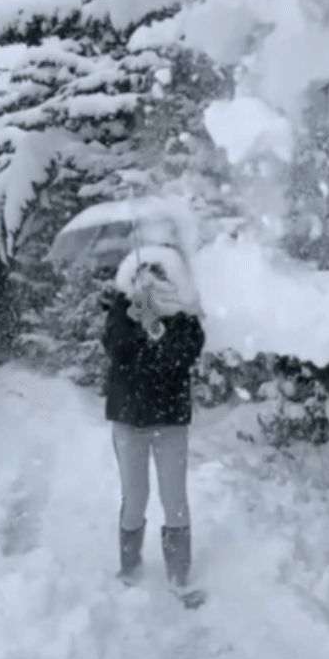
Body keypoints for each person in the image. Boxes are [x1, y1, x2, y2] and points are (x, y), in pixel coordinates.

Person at [101, 237, 205, 596]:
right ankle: (129, 569)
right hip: (129, 419)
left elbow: (184, 355)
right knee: (135, 497)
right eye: (147, 274)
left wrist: (158, 327)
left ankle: (179, 577)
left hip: (170, 419)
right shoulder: (124, 306)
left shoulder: (185, 313)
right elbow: (115, 348)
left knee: (174, 499)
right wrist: (134, 316)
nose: (154, 280)